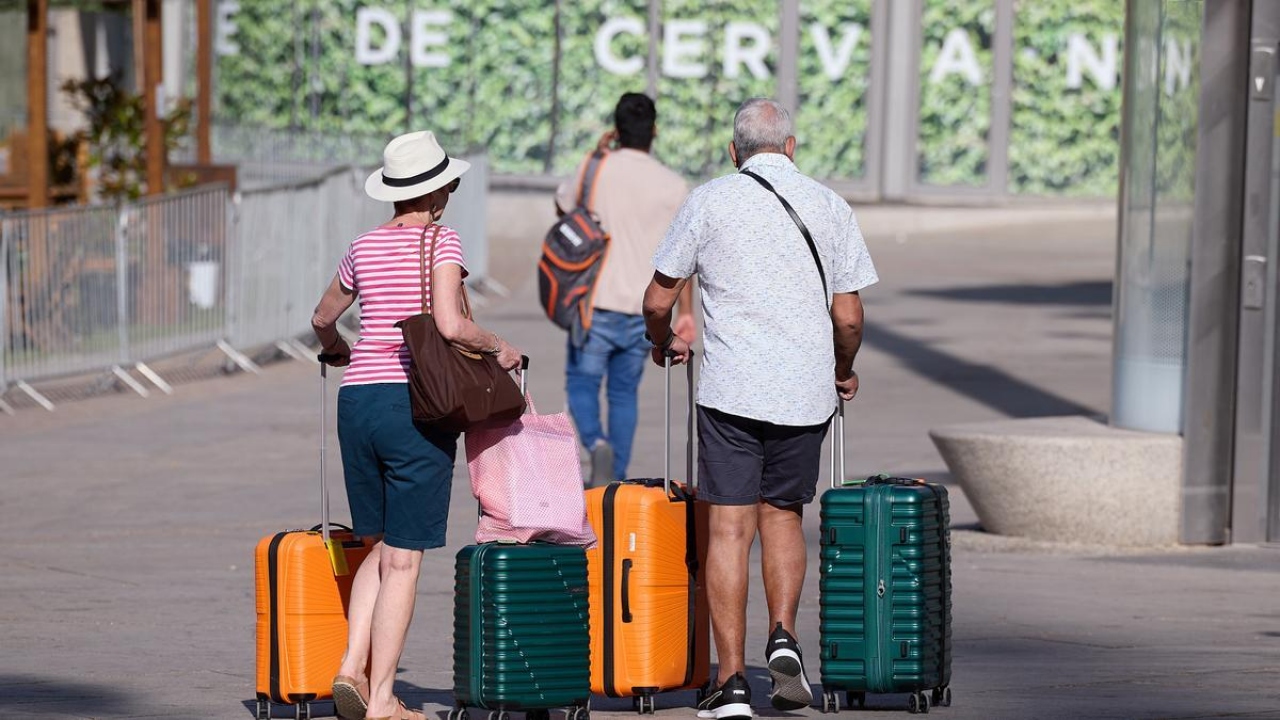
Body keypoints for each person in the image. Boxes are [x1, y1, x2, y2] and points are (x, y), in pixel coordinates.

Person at [641, 98, 878, 719]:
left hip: (730, 392)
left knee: (728, 529)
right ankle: (782, 635)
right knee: (783, 517)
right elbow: (848, 315)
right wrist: (842, 370)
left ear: (733, 150)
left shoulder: (709, 200)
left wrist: (662, 340)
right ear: (792, 147)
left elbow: (657, 298)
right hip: (804, 395)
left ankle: (730, 682)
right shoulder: (830, 205)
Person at [312, 131, 523, 720]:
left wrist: (337, 351)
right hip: (415, 407)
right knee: (404, 561)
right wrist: (501, 346)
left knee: (378, 550)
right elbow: (452, 327)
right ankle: (382, 701)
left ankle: (352, 670)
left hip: (357, 405)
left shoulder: (362, 246)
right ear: (439, 191)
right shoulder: (442, 240)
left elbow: (323, 317)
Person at [554, 92, 695, 485]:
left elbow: (563, 210)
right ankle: (614, 480)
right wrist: (685, 313)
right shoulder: (672, 184)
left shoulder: (593, 168)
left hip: (592, 301)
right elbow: (683, 258)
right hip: (644, 307)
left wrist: (597, 156)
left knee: (581, 382)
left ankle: (596, 442)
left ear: (615, 130)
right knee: (623, 394)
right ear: (655, 131)